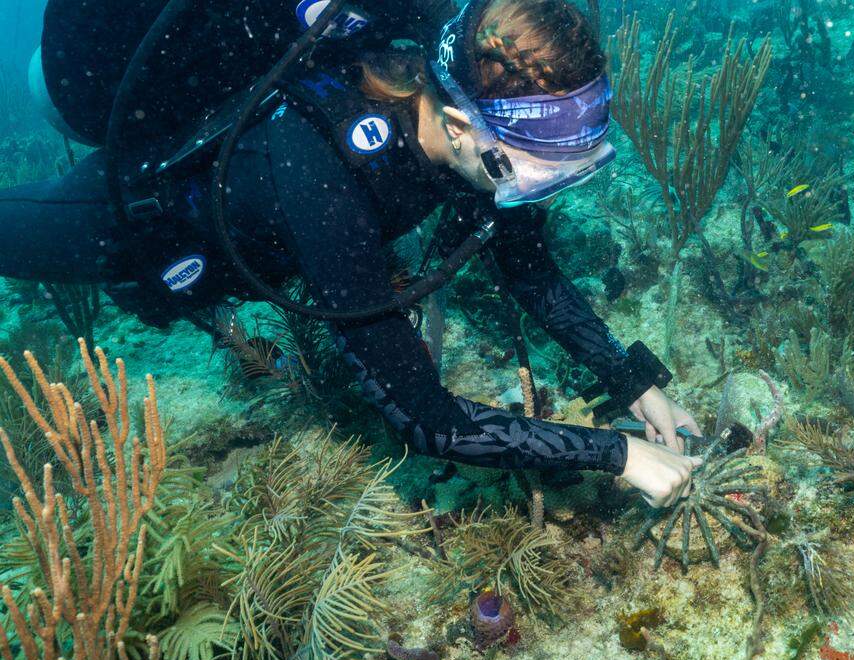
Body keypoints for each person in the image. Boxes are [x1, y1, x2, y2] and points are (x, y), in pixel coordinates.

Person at [0, 0, 703, 508]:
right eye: (541, 174)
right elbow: (425, 416)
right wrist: (618, 454)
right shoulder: (324, 167)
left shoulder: (471, 124)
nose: (535, 195)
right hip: (152, 221)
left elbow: (525, 265)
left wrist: (632, 379)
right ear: (460, 124)